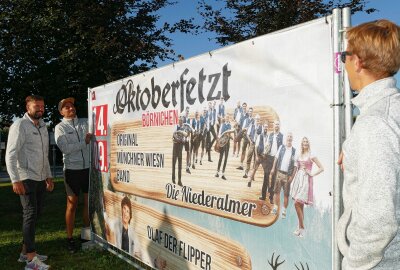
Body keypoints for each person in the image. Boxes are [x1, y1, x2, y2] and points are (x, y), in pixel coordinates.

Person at [337, 20, 400, 269]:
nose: (343, 63)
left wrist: (353, 266)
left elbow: (377, 221)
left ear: (358, 61)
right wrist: (353, 150)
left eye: (345, 55)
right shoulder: (389, 112)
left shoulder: (375, 125)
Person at [6, 95, 54, 270]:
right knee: (30, 214)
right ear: (28, 107)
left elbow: (44, 154)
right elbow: (10, 154)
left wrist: (48, 176)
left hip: (40, 178)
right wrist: (15, 179)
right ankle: (31, 260)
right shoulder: (19, 125)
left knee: (36, 214)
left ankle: (24, 252)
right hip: (25, 177)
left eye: (42, 106)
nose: (40, 109)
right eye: (36, 106)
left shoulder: (42, 126)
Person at [55, 97, 92, 253]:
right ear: (61, 111)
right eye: (66, 107)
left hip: (88, 168)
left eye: (72, 106)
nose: (70, 108)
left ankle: (86, 234)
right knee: (72, 204)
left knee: (88, 202)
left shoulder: (85, 122)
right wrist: (84, 142)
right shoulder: (60, 127)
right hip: (71, 170)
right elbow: (65, 148)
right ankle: (69, 239)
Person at [290, 137, 323, 238]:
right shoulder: (299, 155)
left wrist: (312, 174)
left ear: (308, 144)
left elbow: (321, 168)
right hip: (298, 179)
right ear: (301, 144)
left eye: (306, 142)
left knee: (297, 203)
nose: (305, 143)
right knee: (300, 205)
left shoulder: (311, 155)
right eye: (303, 142)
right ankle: (301, 230)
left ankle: (302, 228)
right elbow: (297, 167)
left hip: (306, 180)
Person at [270, 132, 297, 219]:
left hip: (287, 176)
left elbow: (295, 166)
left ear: (292, 139)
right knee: (276, 192)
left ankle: (284, 210)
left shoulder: (294, 151)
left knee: (286, 194)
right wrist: (273, 168)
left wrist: (292, 177)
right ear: (286, 138)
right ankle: (275, 207)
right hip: (279, 172)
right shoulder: (281, 147)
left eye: (291, 137)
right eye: (288, 136)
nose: (289, 138)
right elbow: (276, 158)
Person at [259, 120, 283, 203]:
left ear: (279, 126)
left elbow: (282, 149)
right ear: (273, 126)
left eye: (278, 125)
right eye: (275, 124)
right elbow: (267, 146)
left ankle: (271, 197)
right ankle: (263, 195)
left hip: (276, 160)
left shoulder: (281, 136)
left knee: (273, 179)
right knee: (266, 177)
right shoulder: (270, 135)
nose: (276, 126)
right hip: (268, 158)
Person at [248, 121, 269, 187]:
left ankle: (267, 186)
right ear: (263, 127)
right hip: (259, 156)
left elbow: (267, 147)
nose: (266, 128)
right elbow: (256, 146)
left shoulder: (268, 137)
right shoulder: (260, 136)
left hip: (264, 157)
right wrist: (256, 156)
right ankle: (249, 182)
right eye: (265, 127)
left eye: (266, 127)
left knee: (266, 172)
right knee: (254, 169)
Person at [215, 114, 233, 180]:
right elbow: (219, 134)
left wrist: (231, 137)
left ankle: (223, 173)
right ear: (225, 118)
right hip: (222, 143)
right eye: (226, 117)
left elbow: (230, 134)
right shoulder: (222, 125)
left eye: (228, 117)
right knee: (221, 157)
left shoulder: (230, 125)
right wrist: (219, 141)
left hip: (227, 143)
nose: (227, 118)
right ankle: (217, 172)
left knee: (226, 158)